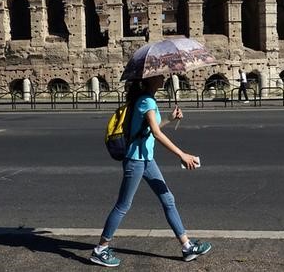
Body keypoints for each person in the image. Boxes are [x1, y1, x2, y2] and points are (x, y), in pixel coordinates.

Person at [91, 75, 212, 267]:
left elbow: (148, 129)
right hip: (135, 161)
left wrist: (170, 119)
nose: (164, 78)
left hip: (146, 160)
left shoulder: (148, 100)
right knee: (123, 205)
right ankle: (100, 249)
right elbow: (156, 133)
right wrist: (182, 154)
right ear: (150, 80)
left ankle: (187, 246)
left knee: (168, 199)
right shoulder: (145, 101)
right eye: (160, 76)